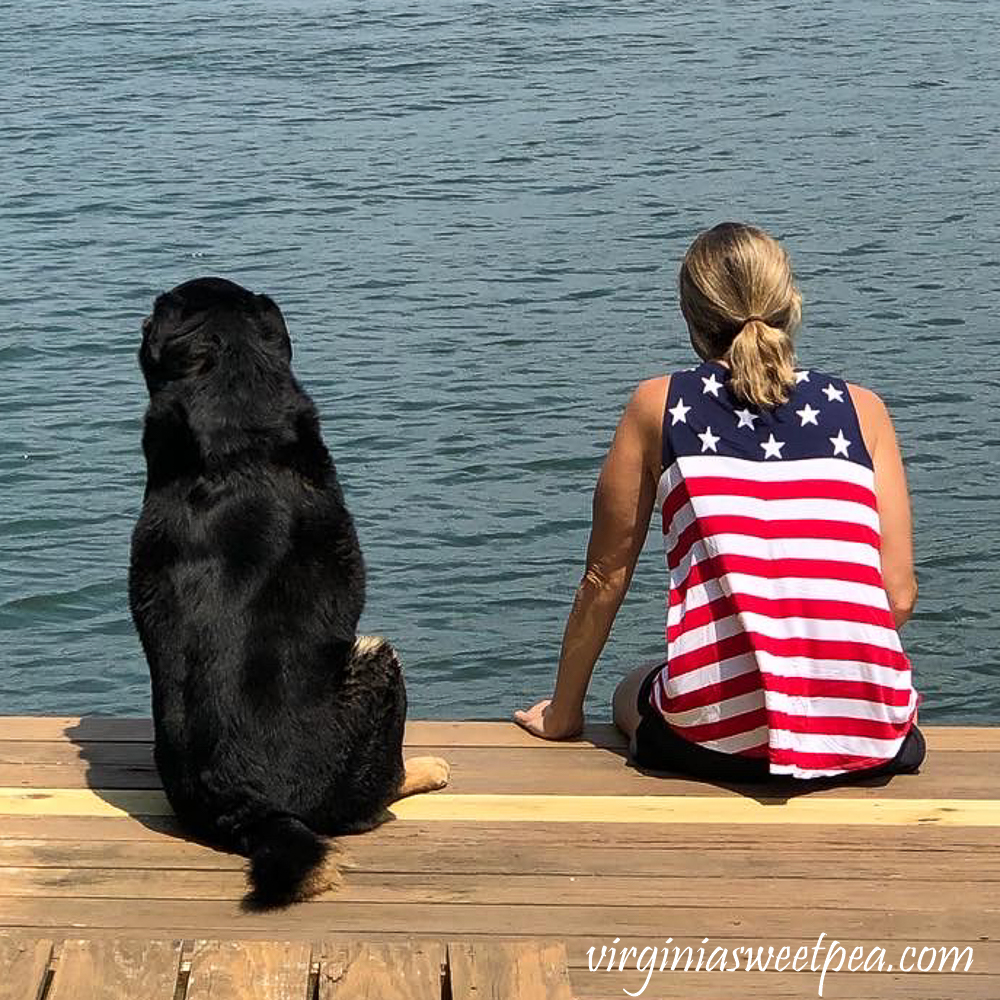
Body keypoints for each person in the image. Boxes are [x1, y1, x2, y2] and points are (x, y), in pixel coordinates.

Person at [515, 222, 923, 781]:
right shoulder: (862, 410)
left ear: (691, 319)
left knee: (630, 688)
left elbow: (604, 579)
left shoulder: (657, 404)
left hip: (715, 739)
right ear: (791, 303)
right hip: (869, 732)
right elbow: (896, 595)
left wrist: (563, 715)